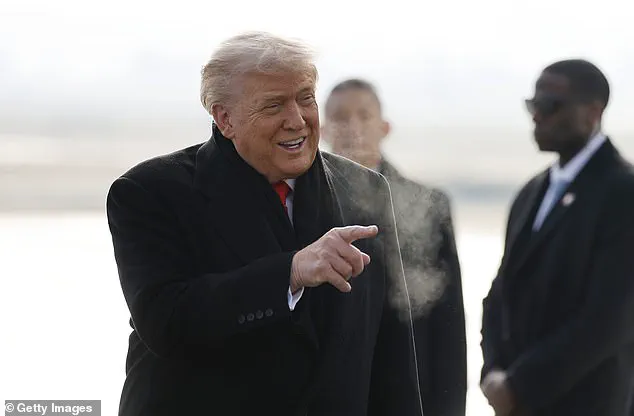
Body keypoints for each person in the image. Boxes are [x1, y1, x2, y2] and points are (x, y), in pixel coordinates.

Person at [106, 32, 423, 416]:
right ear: (225, 118)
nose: (297, 120)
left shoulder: (366, 189)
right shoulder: (149, 192)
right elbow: (166, 322)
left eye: (305, 98)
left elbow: (392, 351)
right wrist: (290, 273)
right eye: (274, 105)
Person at [480, 59, 634, 416]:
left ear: (593, 112)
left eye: (550, 105)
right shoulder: (531, 193)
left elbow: (609, 318)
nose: (537, 116)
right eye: (532, 105)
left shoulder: (623, 194)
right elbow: (501, 292)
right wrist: (493, 373)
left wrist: (520, 385)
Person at [322, 78, 467, 416]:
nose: (353, 127)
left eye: (364, 115)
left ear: (384, 127)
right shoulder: (303, 203)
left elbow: (447, 322)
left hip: (405, 394)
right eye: (340, 117)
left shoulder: (428, 204)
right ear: (324, 130)